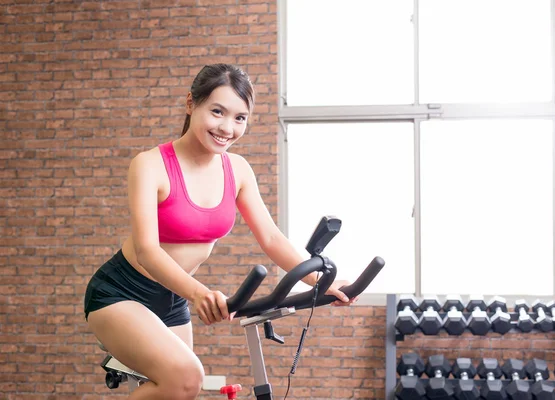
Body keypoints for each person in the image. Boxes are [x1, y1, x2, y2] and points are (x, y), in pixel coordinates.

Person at [83, 63, 356, 400]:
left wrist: (321, 282)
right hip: (121, 292)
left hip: (173, 298)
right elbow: (147, 251)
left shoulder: (237, 170)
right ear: (190, 104)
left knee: (183, 391)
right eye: (217, 112)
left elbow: (270, 238)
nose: (228, 127)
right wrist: (199, 293)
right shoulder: (150, 165)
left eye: (240, 118)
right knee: (185, 377)